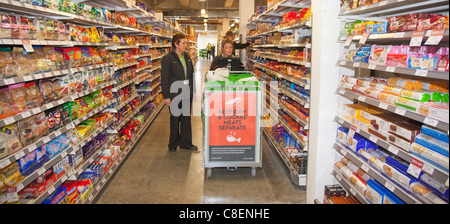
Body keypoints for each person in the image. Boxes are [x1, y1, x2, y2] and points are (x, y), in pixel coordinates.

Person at [161, 33, 198, 152]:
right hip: (174, 93)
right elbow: (164, 79)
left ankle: (186, 143)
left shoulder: (187, 56)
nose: (186, 45)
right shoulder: (168, 59)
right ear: (176, 44)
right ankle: (173, 143)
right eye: (183, 43)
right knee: (175, 119)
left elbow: (191, 75)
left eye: (186, 43)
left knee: (186, 119)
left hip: (186, 92)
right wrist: (166, 96)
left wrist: (194, 90)